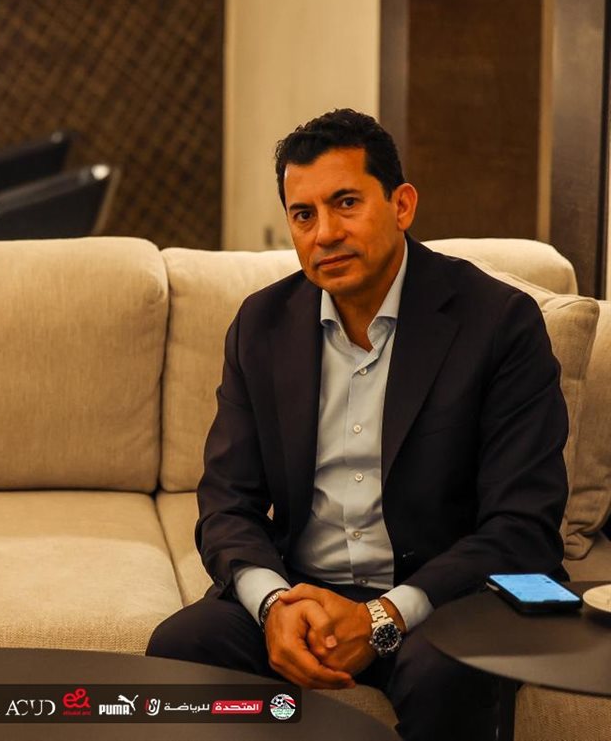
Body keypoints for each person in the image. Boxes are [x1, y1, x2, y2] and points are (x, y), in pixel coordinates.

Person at [146, 109, 569, 741]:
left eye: (346, 203)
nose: (324, 234)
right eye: (303, 214)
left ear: (402, 205)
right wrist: (274, 606)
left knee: (446, 677)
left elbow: (523, 525)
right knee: (180, 647)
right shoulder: (262, 325)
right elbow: (227, 503)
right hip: (305, 589)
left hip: (444, 594)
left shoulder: (499, 323)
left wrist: (381, 618)